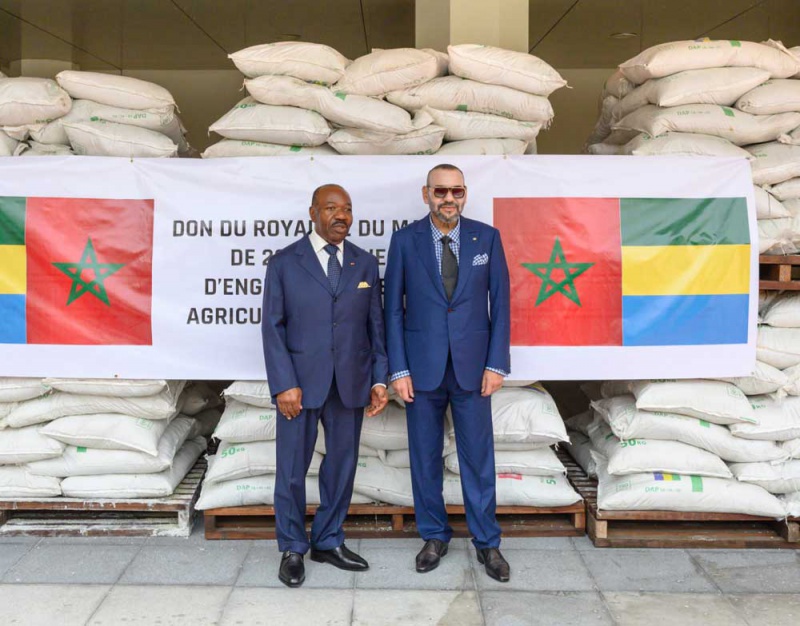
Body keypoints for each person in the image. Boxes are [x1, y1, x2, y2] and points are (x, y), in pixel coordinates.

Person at [383, 164, 511, 582]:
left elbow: (501, 304)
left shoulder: (486, 238)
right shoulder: (405, 241)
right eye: (440, 191)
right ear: (426, 195)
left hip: (474, 370)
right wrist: (398, 368)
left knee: (478, 458)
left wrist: (496, 363)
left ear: (465, 193)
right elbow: (392, 310)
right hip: (421, 370)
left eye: (456, 191)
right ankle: (434, 536)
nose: (449, 199)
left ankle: (487, 542)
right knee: (425, 458)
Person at [262, 183, 389, 588]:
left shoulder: (363, 263)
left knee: (342, 465)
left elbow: (375, 326)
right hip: (299, 385)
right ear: (313, 213)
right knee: (292, 469)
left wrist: (379, 378)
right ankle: (292, 548)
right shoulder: (285, 262)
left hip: (350, 382)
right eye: (332, 208)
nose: (341, 216)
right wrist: (284, 383)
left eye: (347, 209)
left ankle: (328, 540)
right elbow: (272, 328)